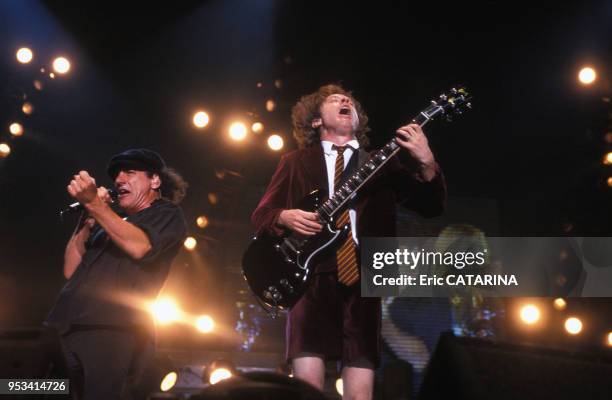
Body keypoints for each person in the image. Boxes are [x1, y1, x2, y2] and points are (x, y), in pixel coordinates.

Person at [251, 84, 446, 399]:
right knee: (307, 388)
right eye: (334, 100)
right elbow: (261, 216)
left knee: (360, 388)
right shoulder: (295, 161)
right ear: (315, 121)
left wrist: (426, 162)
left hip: (363, 275)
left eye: (350, 100)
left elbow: (431, 207)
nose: (345, 100)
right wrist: (283, 217)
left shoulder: (383, 163)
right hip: (308, 276)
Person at [45, 149, 188, 399]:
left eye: (130, 172)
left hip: (110, 331)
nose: (119, 180)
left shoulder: (166, 214)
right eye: (116, 176)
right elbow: (71, 268)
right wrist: (89, 217)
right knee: (26, 388)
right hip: (64, 327)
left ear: (155, 180)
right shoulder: (108, 223)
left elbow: (140, 246)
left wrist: (96, 205)